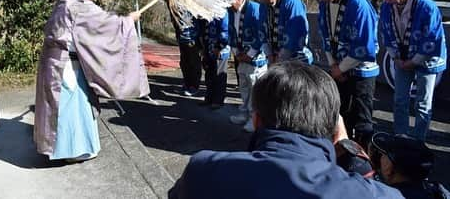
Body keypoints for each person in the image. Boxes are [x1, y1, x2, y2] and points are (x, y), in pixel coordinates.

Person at [168, 62, 403, 199]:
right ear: (335, 131)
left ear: (257, 121)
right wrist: (355, 156)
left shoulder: (203, 171)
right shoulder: (375, 194)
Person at [34, 0, 149, 162]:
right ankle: (72, 151)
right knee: (70, 108)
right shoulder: (77, 6)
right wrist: (129, 20)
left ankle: (70, 149)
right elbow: (107, 26)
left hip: (60, 63)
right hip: (66, 67)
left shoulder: (64, 2)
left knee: (70, 107)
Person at [305, 0, 380, 148]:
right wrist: (333, 65)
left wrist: (341, 68)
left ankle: (364, 160)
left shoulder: (358, 3)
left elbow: (365, 43)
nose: (320, 0)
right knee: (341, 113)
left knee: (362, 118)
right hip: (338, 66)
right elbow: (325, 35)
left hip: (361, 70)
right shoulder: (324, 5)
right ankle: (343, 153)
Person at [376, 0, 447, 142]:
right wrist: (396, 58)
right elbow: (386, 34)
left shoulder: (427, 7)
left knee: (423, 102)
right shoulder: (386, 7)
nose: (387, 1)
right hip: (401, 57)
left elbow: (432, 38)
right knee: (400, 99)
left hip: (427, 58)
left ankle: (419, 140)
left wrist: (414, 61)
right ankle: (400, 135)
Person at [223, 0, 268, 133]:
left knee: (255, 86)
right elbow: (230, 31)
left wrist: (250, 54)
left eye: (229, 2)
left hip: (255, 55)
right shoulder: (230, 11)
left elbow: (262, 33)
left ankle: (254, 118)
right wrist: (236, 52)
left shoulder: (255, 9)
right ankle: (243, 112)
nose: (228, 6)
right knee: (243, 84)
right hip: (240, 53)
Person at [370, 132, 449, 199]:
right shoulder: (438, 192)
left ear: (389, 167)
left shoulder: (380, 195)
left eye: (383, 154)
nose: (380, 157)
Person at [260, 0, 313, 64]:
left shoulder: (292, 3)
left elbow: (295, 34)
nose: (262, 0)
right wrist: (269, 54)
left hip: (296, 58)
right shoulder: (264, 5)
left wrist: (280, 58)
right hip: (274, 57)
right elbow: (262, 29)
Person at [200, 9, 230, 109]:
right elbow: (204, 29)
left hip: (220, 48)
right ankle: (209, 97)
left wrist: (219, 47)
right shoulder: (205, 10)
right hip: (208, 45)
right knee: (209, 73)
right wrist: (203, 47)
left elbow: (225, 30)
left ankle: (218, 100)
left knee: (219, 75)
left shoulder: (222, 11)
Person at [172, 15, 202, 97]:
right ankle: (187, 84)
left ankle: (194, 86)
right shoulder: (178, 10)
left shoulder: (193, 9)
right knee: (184, 64)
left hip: (192, 40)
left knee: (194, 64)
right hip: (183, 40)